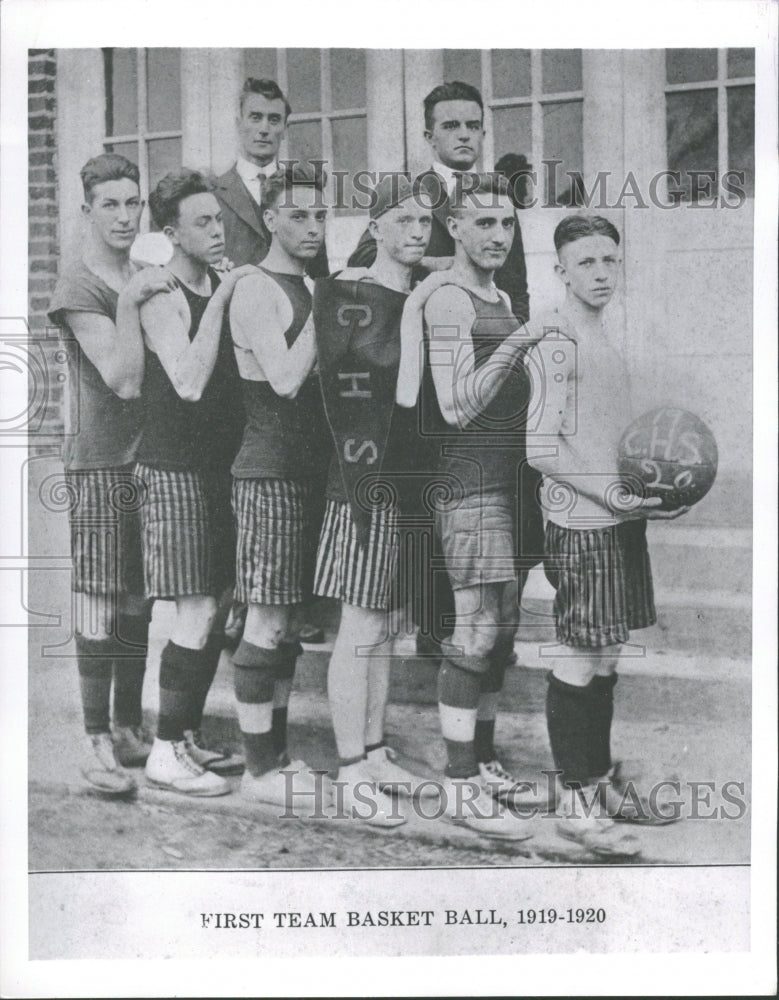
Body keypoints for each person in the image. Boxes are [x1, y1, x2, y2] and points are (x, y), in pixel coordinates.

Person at [525, 214, 689, 857]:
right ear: (560, 270)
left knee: (609, 654)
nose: (600, 273)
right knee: (579, 654)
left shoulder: (601, 338)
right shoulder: (557, 339)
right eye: (585, 262)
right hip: (580, 523)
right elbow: (541, 448)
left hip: (618, 521)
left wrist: (652, 490)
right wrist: (617, 494)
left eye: (609, 261)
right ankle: (574, 804)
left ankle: (596, 781)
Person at [350, 82, 531, 661]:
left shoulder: (494, 200)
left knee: (497, 524)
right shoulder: (409, 195)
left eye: (472, 126)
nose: (463, 136)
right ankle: (436, 637)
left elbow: (512, 286)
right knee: (436, 516)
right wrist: (442, 267)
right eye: (450, 126)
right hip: (426, 389)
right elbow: (365, 265)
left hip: (487, 382)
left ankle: (478, 651)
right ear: (428, 135)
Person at [312, 175, 440, 827]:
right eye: (406, 220)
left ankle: (375, 749)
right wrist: (416, 310)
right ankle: (348, 767)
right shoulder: (350, 293)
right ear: (377, 226)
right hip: (360, 486)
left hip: (403, 485)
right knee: (359, 626)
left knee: (385, 626)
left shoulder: (414, 293)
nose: (418, 231)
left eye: (425, 222)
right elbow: (400, 395)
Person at [418, 173, 544, 840]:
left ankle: (481, 759)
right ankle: (458, 781)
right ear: (456, 228)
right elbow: (454, 403)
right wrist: (520, 345)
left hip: (512, 480)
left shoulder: (498, 293)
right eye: (484, 223)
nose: (498, 235)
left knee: (498, 630)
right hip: (468, 484)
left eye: (506, 224)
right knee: (472, 632)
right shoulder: (448, 300)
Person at [48, 153, 178, 796]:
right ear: (87, 211)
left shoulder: (145, 273)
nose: (125, 216)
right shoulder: (80, 286)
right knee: (100, 595)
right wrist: (132, 301)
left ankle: (128, 726)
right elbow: (124, 379)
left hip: (148, 457)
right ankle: (94, 737)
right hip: (99, 459)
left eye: (134, 204)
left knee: (138, 598)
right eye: (111, 205)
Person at [136, 169, 255, 796]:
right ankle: (162, 750)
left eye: (219, 219)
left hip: (219, 467)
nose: (216, 230)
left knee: (216, 605)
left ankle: (183, 736)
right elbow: (187, 379)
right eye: (202, 222)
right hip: (174, 468)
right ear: (170, 233)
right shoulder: (161, 292)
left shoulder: (217, 282)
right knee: (196, 608)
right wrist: (226, 300)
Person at [228, 163, 331, 806]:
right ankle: (258, 768)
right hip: (267, 475)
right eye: (299, 215)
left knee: (289, 623)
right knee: (265, 621)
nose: (314, 227)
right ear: (270, 219)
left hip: (308, 474)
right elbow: (287, 378)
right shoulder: (257, 289)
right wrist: (330, 309)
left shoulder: (310, 285)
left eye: (322, 216)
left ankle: (279, 757)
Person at [214, 75, 328, 646]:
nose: (264, 128)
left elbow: (314, 285)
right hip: (241, 387)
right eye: (254, 117)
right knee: (262, 601)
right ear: (238, 120)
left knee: (283, 605)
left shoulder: (305, 240)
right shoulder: (218, 194)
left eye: (274, 119)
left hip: (302, 443)